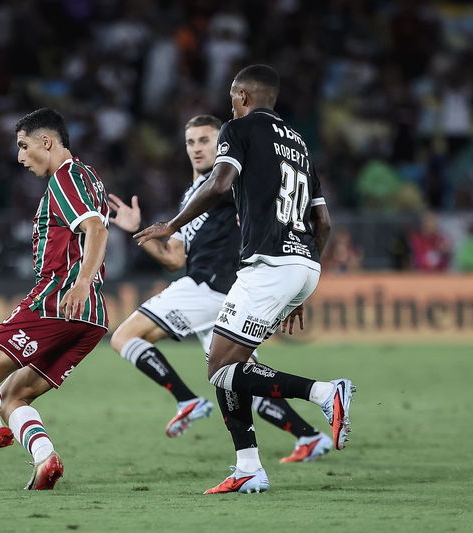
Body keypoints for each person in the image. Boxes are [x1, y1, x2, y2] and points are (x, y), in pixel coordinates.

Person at [135, 65, 354, 494]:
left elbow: (219, 184)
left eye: (232, 97)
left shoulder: (238, 129)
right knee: (227, 363)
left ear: (244, 96)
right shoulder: (300, 144)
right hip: (303, 264)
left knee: (221, 369)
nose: (230, 104)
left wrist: (172, 224)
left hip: (269, 265)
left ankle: (324, 393)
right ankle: (248, 466)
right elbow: (323, 222)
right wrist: (300, 287)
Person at [109, 115, 333, 463]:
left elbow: (257, 199)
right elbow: (173, 258)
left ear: (221, 143)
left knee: (124, 337)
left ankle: (187, 400)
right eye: (191, 142)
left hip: (209, 286)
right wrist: (137, 230)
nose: (197, 148)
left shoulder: (226, 182)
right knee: (240, 379)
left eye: (205, 140)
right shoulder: (193, 195)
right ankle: (309, 436)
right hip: (223, 295)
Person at [0, 108, 110, 490]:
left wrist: (81, 281)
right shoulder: (89, 176)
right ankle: (45, 460)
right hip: (91, 316)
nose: (20, 157)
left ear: (47, 141)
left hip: (58, 300)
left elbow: (96, 229)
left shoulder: (66, 176)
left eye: (24, 146)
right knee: (13, 396)